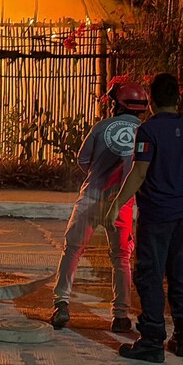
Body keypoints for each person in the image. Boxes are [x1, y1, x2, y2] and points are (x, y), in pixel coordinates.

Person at [113, 73, 183, 363]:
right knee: (179, 274)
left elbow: (139, 173)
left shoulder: (148, 132)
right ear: (178, 99)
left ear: (151, 100)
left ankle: (151, 340)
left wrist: (116, 203)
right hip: (181, 217)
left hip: (155, 216)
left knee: (149, 275)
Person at [50, 76, 148, 333]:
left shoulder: (101, 127)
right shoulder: (146, 133)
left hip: (91, 198)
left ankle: (61, 303)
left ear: (117, 105)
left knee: (72, 250)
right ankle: (121, 316)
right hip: (122, 204)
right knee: (121, 258)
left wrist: (98, 174)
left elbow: (83, 161)